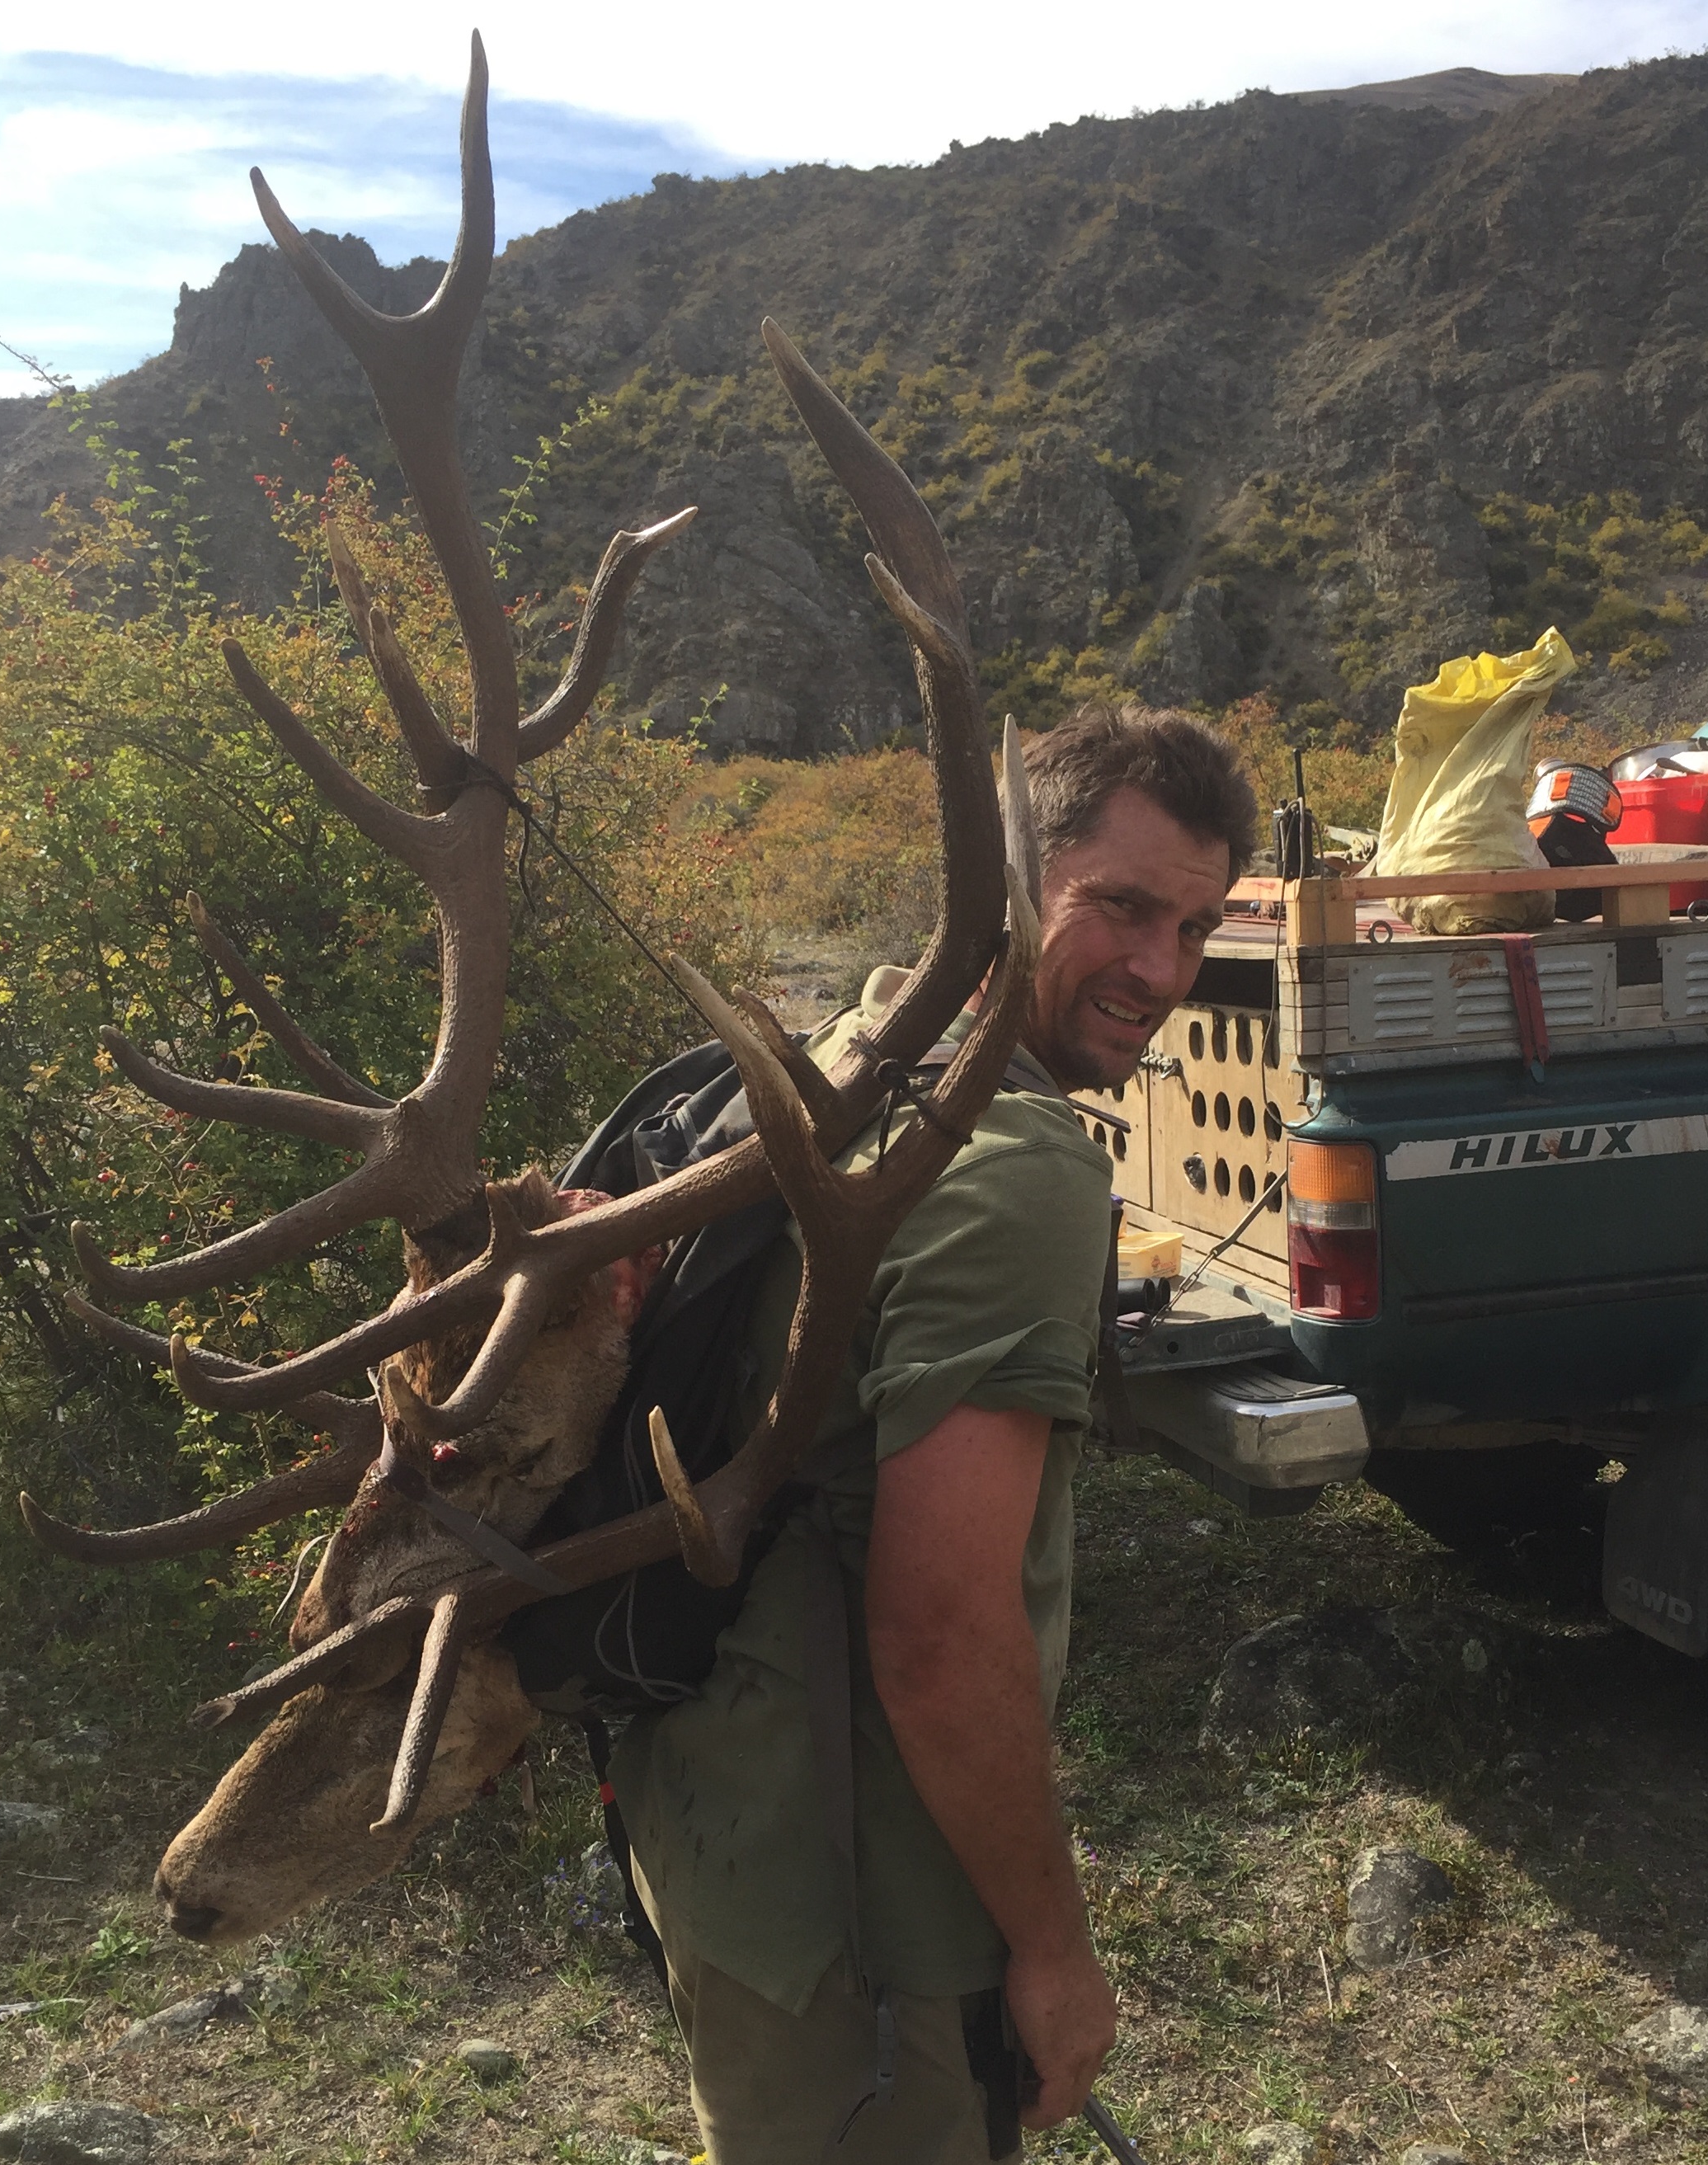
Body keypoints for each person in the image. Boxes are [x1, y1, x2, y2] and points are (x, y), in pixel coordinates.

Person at [612, 702, 1259, 2163]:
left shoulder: (854, 1053)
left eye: (1199, 925)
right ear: (1016, 880)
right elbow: (936, 1632)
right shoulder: (1017, 1174)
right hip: (871, 1934)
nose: (1162, 968)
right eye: (1123, 908)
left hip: (722, 1841)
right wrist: (1053, 1949)